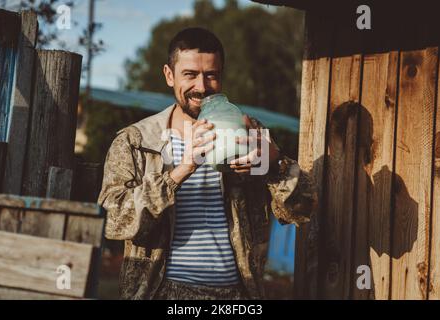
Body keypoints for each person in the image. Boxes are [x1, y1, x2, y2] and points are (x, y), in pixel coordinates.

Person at [98, 27, 317, 300]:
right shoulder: (138, 141)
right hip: (163, 294)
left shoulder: (248, 132)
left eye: (211, 75)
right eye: (190, 74)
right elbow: (112, 220)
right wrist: (180, 170)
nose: (201, 87)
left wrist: (275, 163)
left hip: (236, 297)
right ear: (169, 75)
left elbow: (302, 209)